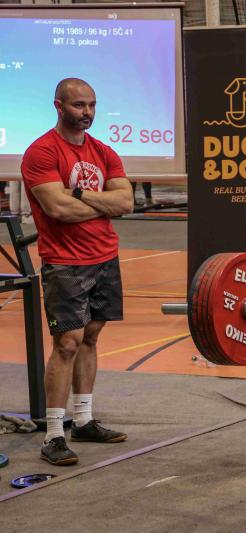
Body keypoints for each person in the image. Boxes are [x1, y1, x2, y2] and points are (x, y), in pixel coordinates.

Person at [21, 78, 133, 466]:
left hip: (104, 257)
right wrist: (103, 204)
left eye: (92, 105)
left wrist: (81, 194)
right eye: (79, 105)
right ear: (59, 106)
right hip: (65, 261)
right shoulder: (41, 152)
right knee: (67, 343)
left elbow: (126, 202)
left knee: (91, 337)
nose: (87, 112)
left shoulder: (104, 151)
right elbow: (57, 209)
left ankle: (83, 421)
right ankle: (54, 435)